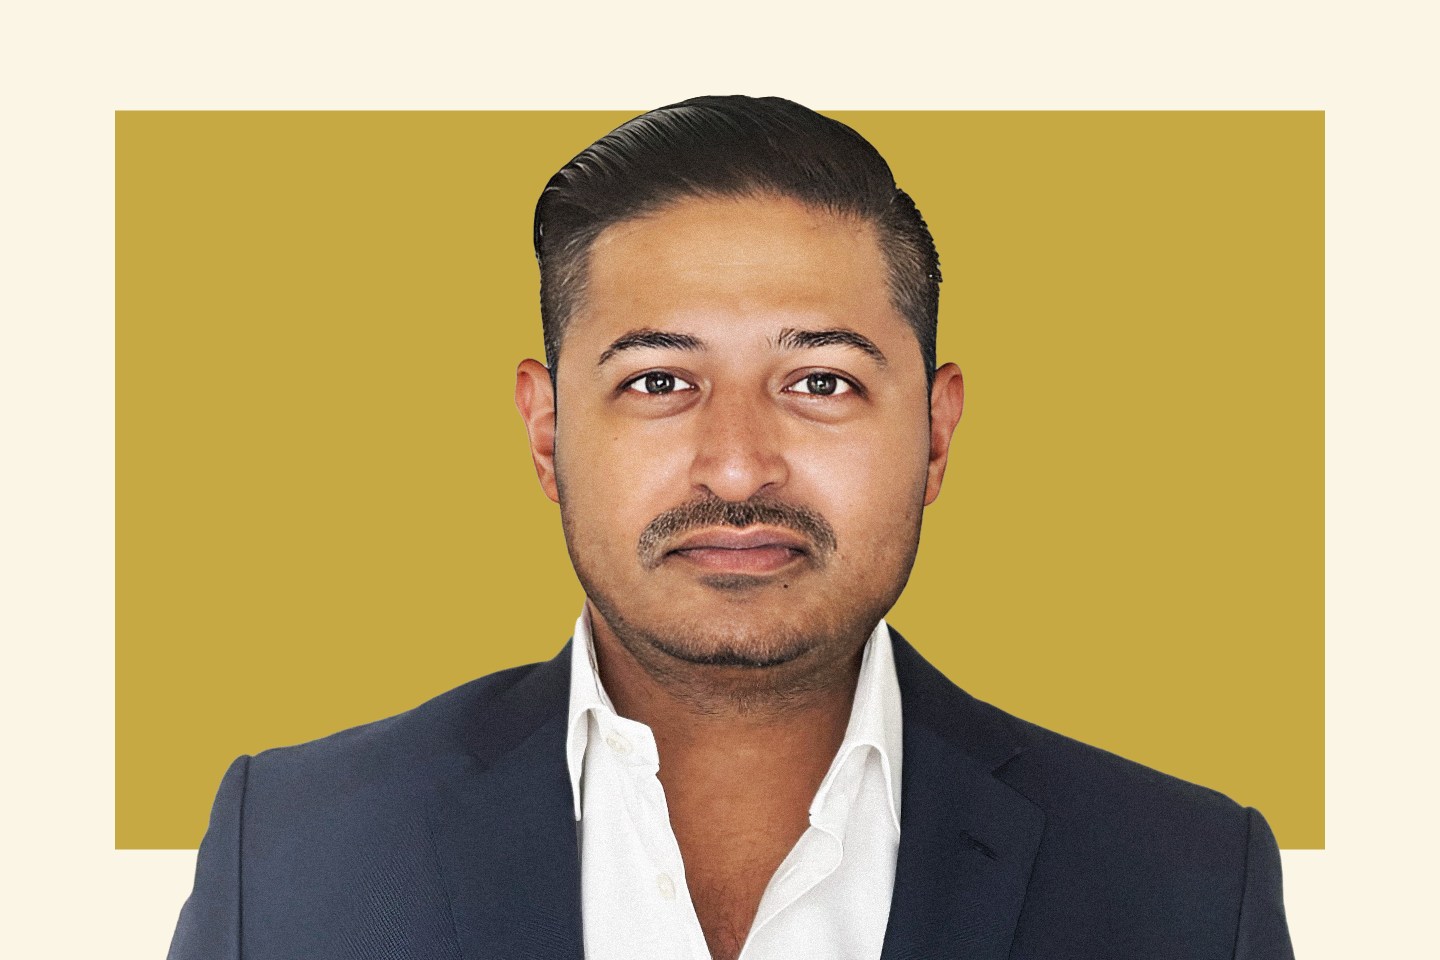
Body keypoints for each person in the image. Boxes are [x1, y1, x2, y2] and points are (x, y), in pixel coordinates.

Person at [167, 96, 1294, 960]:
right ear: (548, 433)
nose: (740, 463)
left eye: (822, 382)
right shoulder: (294, 853)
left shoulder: (1187, 886)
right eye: (659, 382)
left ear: (937, 432)